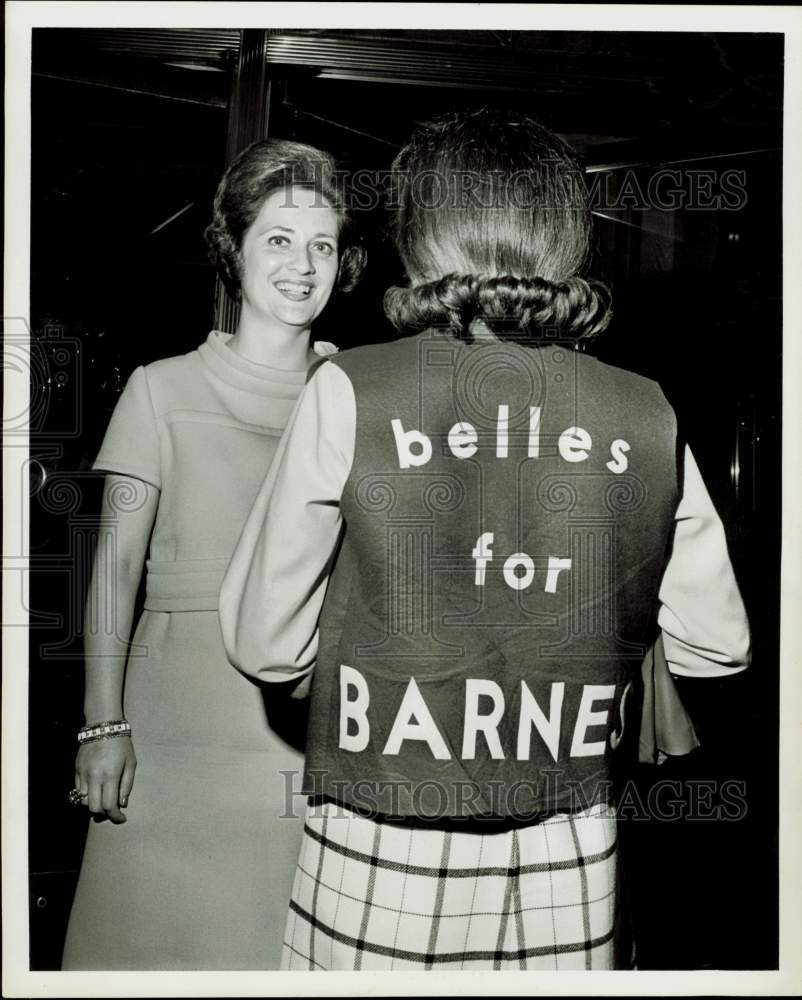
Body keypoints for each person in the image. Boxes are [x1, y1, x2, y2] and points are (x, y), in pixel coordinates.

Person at [220, 109, 750, 971]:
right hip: (571, 847)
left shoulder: (351, 387)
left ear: (423, 236)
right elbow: (716, 650)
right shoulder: (646, 407)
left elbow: (264, 646)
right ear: (565, 239)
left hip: (382, 827)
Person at [61, 138, 365, 970]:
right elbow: (111, 569)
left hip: (297, 741)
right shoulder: (160, 388)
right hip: (168, 735)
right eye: (278, 239)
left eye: (322, 244)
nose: (303, 265)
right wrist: (104, 722)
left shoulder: (356, 398)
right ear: (233, 250)